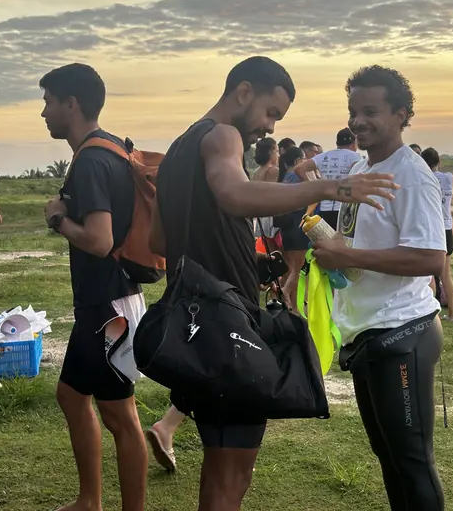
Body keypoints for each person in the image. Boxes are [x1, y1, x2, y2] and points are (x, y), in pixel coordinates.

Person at [150, 55, 398, 511]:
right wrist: (329, 189)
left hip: (191, 323)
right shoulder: (221, 135)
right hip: (227, 325)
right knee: (232, 474)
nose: (269, 127)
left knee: (220, 462)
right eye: (271, 113)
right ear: (244, 92)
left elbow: (156, 238)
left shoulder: (177, 150)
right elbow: (233, 194)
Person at [312, 65, 446, 511]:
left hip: (401, 331)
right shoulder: (358, 165)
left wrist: (348, 256)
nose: (358, 121)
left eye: (370, 111)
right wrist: (332, 247)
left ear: (401, 115)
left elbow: (430, 258)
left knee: (411, 459)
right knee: (386, 454)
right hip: (365, 330)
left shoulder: (411, 174)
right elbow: (362, 240)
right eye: (353, 111)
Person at [40, 63, 148, 511]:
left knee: (120, 416)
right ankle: (89, 500)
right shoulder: (111, 150)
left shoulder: (89, 159)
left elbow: (100, 241)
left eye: (48, 102)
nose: (43, 112)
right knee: (71, 396)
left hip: (110, 308)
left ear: (72, 104)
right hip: (107, 301)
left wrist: (58, 219)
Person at [294, 127, 365, 229]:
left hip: (325, 208)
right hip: (345, 209)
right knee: (344, 242)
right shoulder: (355, 157)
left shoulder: (324, 156)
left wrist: (314, 186)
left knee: (327, 240)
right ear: (354, 142)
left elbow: (299, 169)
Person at [422, 147, 453, 321]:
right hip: (447, 228)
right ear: (439, 162)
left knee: (429, 275)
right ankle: (452, 313)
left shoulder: (424, 179)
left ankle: (432, 314)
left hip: (433, 228)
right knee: (446, 275)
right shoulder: (448, 178)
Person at [276, 146, 311, 310]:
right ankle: (291, 302)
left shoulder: (283, 178)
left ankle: (288, 304)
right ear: (298, 161)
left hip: (286, 228)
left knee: (290, 268)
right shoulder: (299, 179)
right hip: (298, 226)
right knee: (298, 269)